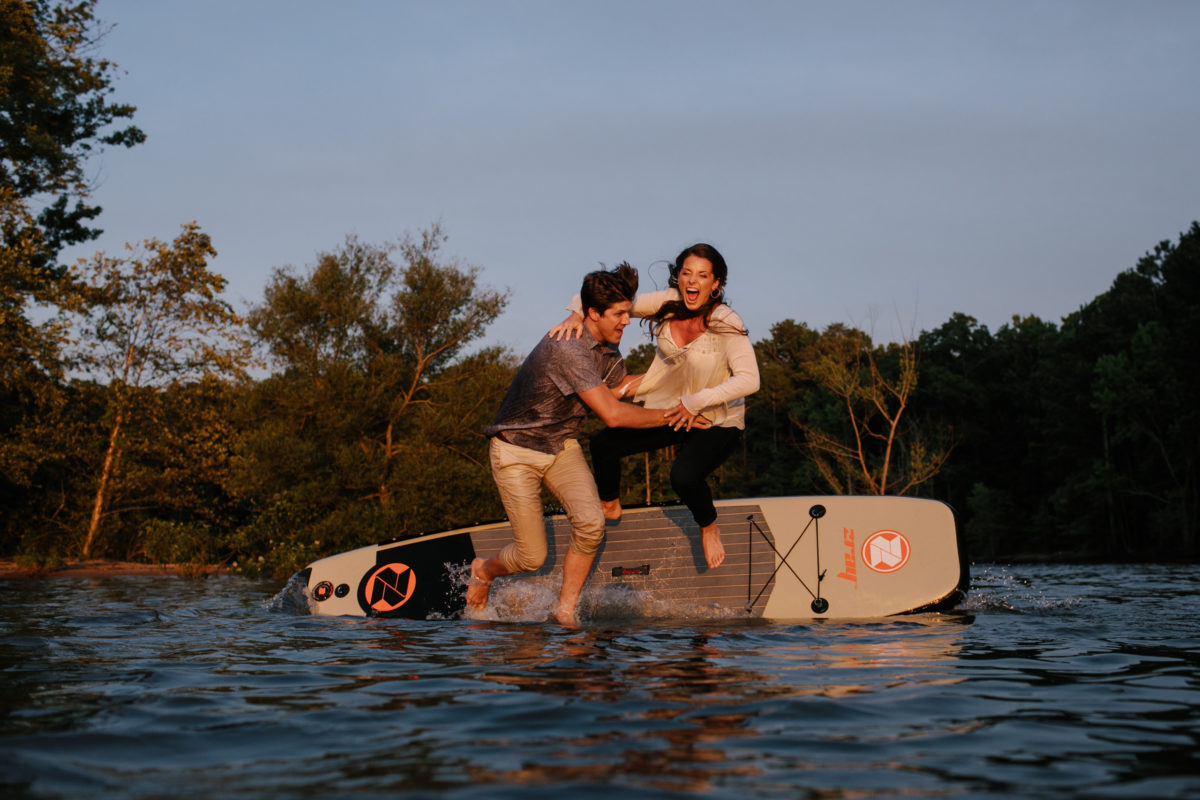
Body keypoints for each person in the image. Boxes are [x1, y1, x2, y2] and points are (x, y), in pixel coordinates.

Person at [468, 262, 706, 626]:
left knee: (592, 524)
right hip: (516, 451)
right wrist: (677, 413)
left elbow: (621, 387)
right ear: (593, 313)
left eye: (629, 311)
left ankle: (564, 611)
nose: (627, 321)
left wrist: (687, 374)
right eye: (620, 314)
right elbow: (613, 413)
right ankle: (484, 570)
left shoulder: (607, 351)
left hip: (561, 446)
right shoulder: (568, 348)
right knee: (531, 557)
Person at [551, 243, 759, 569]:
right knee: (604, 444)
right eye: (687, 273)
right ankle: (610, 505)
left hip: (716, 419)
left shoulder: (726, 322)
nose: (693, 281)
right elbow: (603, 297)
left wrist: (696, 402)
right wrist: (575, 315)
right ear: (678, 277)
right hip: (671, 409)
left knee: (684, 477)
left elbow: (750, 380)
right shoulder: (667, 302)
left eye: (702, 275)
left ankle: (708, 526)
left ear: (716, 283)